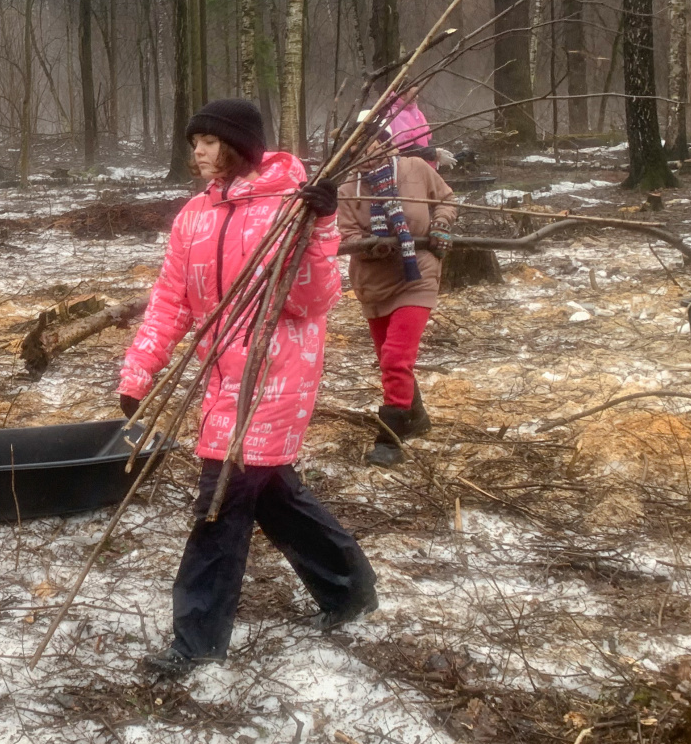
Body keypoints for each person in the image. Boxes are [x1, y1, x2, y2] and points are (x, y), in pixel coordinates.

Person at [119, 98, 377, 679]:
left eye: (209, 141)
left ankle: (197, 639)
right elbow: (170, 300)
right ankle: (349, 589)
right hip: (219, 379)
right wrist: (140, 367)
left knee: (223, 500)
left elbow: (312, 301)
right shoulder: (194, 216)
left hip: (274, 374)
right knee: (273, 493)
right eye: (194, 143)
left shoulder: (291, 208)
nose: (198, 152)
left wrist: (323, 227)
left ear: (239, 145)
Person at [340, 121, 457, 465]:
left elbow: (447, 200)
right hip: (374, 283)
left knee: (395, 357)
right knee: (390, 361)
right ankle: (416, 417)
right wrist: (370, 247)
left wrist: (441, 224)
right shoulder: (349, 188)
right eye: (353, 149)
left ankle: (390, 438)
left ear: (385, 144)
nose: (360, 154)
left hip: (417, 273)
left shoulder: (415, 169)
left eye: (367, 145)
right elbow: (347, 235)